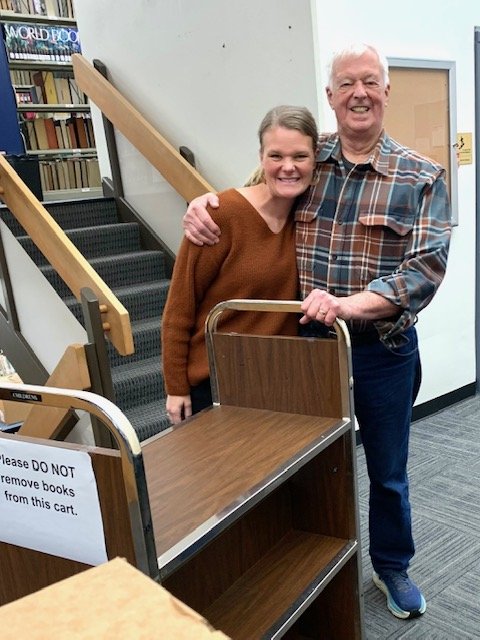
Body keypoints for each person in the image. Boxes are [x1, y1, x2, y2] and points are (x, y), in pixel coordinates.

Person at [181, 43, 451, 620]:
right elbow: (257, 193)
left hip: (383, 351)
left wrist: (348, 306)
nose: (359, 93)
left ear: (386, 91)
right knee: (301, 465)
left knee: (389, 470)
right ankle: (303, 565)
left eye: (370, 82)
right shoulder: (308, 157)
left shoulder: (422, 176)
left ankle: (392, 567)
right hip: (304, 351)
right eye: (346, 83)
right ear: (329, 95)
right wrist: (204, 205)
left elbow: (423, 273)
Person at [161, 105, 318, 424]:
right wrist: (176, 388)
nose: (288, 167)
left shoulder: (309, 216)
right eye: (276, 156)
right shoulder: (219, 216)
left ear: (315, 158)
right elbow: (179, 309)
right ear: (261, 156)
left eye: (299, 156)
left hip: (279, 381)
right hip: (216, 384)